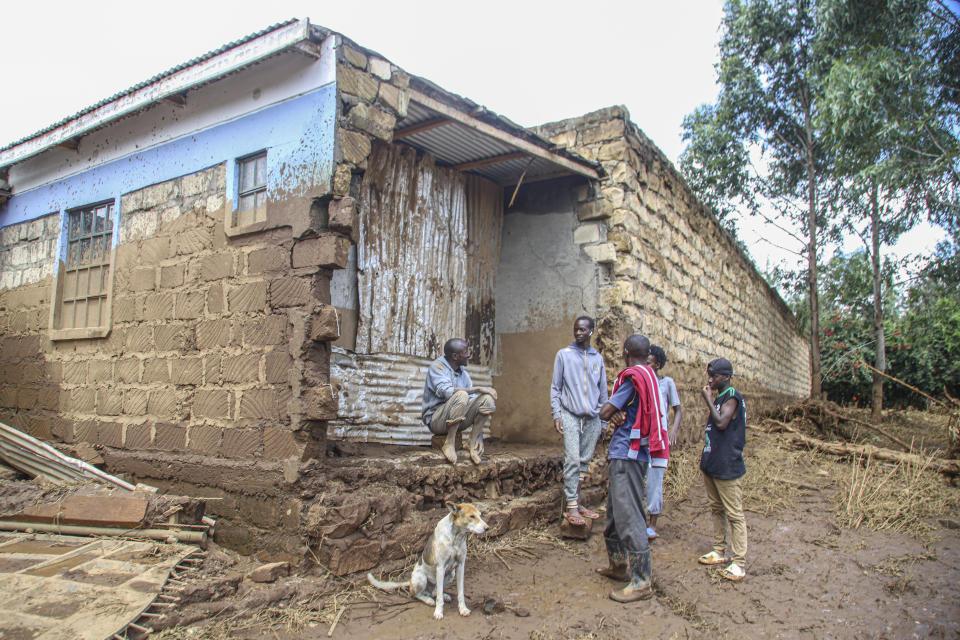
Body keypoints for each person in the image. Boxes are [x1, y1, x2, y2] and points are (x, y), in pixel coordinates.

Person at [595, 334, 664, 603]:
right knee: (614, 512)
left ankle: (642, 581)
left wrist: (610, 411)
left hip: (628, 454)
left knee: (629, 515)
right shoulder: (650, 377)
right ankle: (618, 565)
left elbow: (604, 411)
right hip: (632, 453)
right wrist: (615, 413)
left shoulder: (632, 378)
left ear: (625, 352)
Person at [551, 316, 608, 526]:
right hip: (569, 414)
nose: (578, 333)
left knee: (584, 461)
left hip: (593, 417)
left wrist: (604, 421)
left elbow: (603, 391)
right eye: (576, 329)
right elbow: (555, 388)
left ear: (591, 331)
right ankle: (572, 506)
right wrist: (557, 414)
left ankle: (576, 502)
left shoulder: (598, 359)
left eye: (583, 330)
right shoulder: (564, 355)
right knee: (573, 459)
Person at [697, 357, 748, 581]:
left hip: (727, 465)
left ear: (726, 377)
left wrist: (708, 400)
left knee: (734, 514)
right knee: (716, 508)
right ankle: (719, 550)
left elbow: (721, 423)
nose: (710, 379)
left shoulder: (732, 398)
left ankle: (739, 562)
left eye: (714, 375)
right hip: (713, 462)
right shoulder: (720, 397)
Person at [422, 338, 497, 465]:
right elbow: (446, 392)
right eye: (466, 352)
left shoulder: (463, 374)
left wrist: (479, 435)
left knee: (487, 399)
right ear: (455, 356)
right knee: (462, 395)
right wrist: (477, 388)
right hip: (436, 420)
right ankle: (449, 444)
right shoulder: (438, 367)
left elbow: (473, 403)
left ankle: (472, 444)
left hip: (456, 418)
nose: (469, 355)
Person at [645, 345, 683, 539]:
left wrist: (673, 430)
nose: (645, 365)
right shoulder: (641, 380)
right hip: (643, 438)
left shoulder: (666, 383)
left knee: (655, 482)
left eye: (649, 362)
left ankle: (652, 524)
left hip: (659, 439)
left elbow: (678, 410)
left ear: (658, 365)